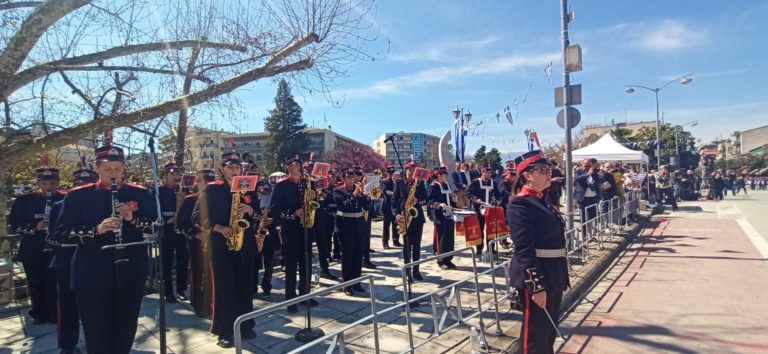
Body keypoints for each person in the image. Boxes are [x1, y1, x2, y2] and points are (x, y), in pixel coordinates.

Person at [56, 142, 156, 354]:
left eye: (118, 169)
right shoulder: (77, 195)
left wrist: (131, 218)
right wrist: (97, 229)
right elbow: (61, 233)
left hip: (130, 269)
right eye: (107, 169)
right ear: (96, 167)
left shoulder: (139, 193)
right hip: (92, 271)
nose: (113, 174)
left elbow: (155, 226)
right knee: (96, 328)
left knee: (125, 325)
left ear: (124, 167)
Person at [507, 150, 569, 354]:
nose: (549, 173)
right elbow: (524, 250)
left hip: (554, 273)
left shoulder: (543, 199)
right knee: (534, 337)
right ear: (528, 175)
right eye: (543, 170)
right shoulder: (521, 204)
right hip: (539, 275)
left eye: (549, 169)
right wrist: (536, 286)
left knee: (548, 333)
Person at [194, 151, 257, 347]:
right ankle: (224, 330)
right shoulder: (212, 189)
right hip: (221, 246)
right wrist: (217, 227)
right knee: (224, 289)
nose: (234, 170)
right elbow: (196, 216)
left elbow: (258, 213)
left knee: (245, 288)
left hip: (244, 246)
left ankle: (245, 325)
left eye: (237, 167)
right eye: (230, 167)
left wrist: (251, 210)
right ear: (222, 169)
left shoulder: (248, 188)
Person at [46, 160, 97, 354]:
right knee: (67, 305)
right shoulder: (60, 205)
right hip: (68, 259)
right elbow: (53, 236)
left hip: (95, 261)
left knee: (95, 306)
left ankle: (97, 342)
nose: (82, 188)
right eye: (79, 184)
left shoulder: (102, 204)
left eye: (87, 184)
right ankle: (68, 344)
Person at [9, 157, 64, 325]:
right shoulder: (25, 200)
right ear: (38, 182)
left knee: (55, 281)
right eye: (45, 183)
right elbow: (15, 225)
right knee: (35, 281)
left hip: (57, 247)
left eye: (52, 183)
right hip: (33, 247)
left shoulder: (66, 198)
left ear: (58, 182)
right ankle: (39, 313)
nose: (49, 187)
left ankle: (55, 313)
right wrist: (35, 227)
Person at [270, 155, 319, 313]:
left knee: (306, 263)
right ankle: (290, 299)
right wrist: (293, 212)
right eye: (294, 164)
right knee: (291, 265)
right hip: (290, 228)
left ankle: (305, 294)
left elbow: (316, 201)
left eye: (299, 164)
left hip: (306, 227)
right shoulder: (281, 185)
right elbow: (275, 209)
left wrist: (314, 196)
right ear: (288, 166)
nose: (298, 166)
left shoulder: (307, 182)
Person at [176, 167, 216, 317]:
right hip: (197, 242)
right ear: (199, 183)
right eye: (207, 181)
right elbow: (181, 224)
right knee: (198, 273)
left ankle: (211, 301)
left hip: (214, 241)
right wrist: (196, 234)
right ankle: (198, 303)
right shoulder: (190, 199)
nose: (210, 184)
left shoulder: (216, 199)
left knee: (212, 274)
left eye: (212, 181)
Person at [333, 168, 370, 295]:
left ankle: (357, 282)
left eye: (352, 177)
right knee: (347, 255)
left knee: (358, 254)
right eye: (348, 177)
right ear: (343, 179)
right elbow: (344, 205)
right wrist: (355, 193)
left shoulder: (358, 191)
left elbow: (367, 207)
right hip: (345, 226)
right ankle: (347, 285)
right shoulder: (338, 191)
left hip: (359, 225)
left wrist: (364, 195)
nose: (351, 179)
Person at [154, 162, 188, 302]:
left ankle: (181, 289)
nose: (175, 177)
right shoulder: (159, 191)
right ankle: (168, 291)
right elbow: (154, 210)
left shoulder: (183, 190)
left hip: (181, 228)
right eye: (172, 174)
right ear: (166, 175)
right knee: (166, 260)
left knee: (182, 259)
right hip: (166, 227)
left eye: (177, 174)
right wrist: (167, 220)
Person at [392, 162, 429, 281]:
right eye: (410, 171)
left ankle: (416, 270)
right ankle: (408, 271)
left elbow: (425, 199)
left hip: (417, 217)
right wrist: (396, 214)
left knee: (417, 245)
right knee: (407, 246)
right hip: (404, 217)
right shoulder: (399, 182)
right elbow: (394, 200)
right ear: (406, 170)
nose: (412, 173)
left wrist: (418, 200)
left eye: (414, 171)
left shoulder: (419, 183)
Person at [428, 166, 457, 269]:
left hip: (449, 215)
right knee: (441, 238)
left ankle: (448, 259)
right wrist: (439, 204)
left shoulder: (447, 185)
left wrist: (455, 204)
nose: (446, 176)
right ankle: (440, 260)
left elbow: (449, 199)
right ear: (439, 176)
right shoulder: (434, 186)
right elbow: (429, 201)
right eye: (444, 175)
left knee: (450, 237)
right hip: (439, 216)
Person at [467, 165, 501, 255]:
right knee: (479, 229)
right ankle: (479, 248)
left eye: (489, 173)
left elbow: (498, 194)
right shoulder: (476, 182)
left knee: (491, 228)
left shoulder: (493, 182)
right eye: (486, 173)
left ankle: (491, 248)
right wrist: (475, 199)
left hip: (490, 209)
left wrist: (497, 200)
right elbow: (469, 193)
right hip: (479, 209)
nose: (488, 174)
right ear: (482, 172)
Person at [575, 158, 600, 232]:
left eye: (589, 166)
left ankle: (593, 232)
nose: (587, 168)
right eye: (585, 166)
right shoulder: (579, 171)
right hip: (583, 198)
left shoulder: (594, 172)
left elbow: (598, 181)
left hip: (593, 197)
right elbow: (577, 179)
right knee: (583, 217)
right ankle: (584, 234)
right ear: (582, 165)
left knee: (593, 216)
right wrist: (587, 174)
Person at [381, 165, 401, 248]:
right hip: (387, 206)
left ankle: (396, 240)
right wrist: (394, 194)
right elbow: (385, 191)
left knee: (396, 224)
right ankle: (385, 242)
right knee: (386, 225)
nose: (391, 174)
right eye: (389, 172)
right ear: (387, 173)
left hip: (395, 206)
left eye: (392, 172)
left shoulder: (396, 181)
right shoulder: (384, 181)